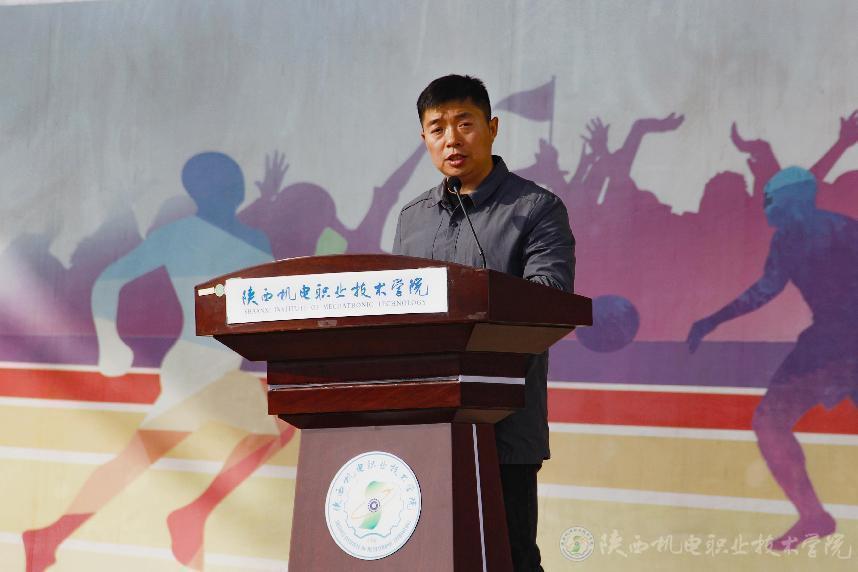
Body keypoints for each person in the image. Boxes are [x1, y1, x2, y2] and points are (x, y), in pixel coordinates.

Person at [23, 152, 296, 572]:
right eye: (224, 181)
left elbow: (255, 286)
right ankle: (191, 516)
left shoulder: (250, 240)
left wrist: (269, 200)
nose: (234, 187)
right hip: (195, 370)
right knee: (279, 423)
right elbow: (109, 280)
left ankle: (53, 535)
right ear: (202, 192)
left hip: (210, 370)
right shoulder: (186, 237)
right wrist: (110, 344)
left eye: (234, 179)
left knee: (136, 458)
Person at [393, 74, 575, 571]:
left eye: (465, 123)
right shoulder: (412, 219)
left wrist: (474, 294)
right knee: (430, 557)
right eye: (437, 128)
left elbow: (551, 298)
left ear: (492, 128)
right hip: (426, 421)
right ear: (425, 139)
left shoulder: (535, 209)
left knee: (509, 557)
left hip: (504, 423)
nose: (451, 139)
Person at [687, 166, 858, 550]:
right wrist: (712, 320)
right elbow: (765, 289)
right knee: (769, 421)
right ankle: (813, 516)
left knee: (769, 421)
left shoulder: (842, 231)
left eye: (769, 199)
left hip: (842, 344)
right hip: (826, 344)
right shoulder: (789, 240)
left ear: (790, 199)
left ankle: (813, 515)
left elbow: (765, 290)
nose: (765, 207)